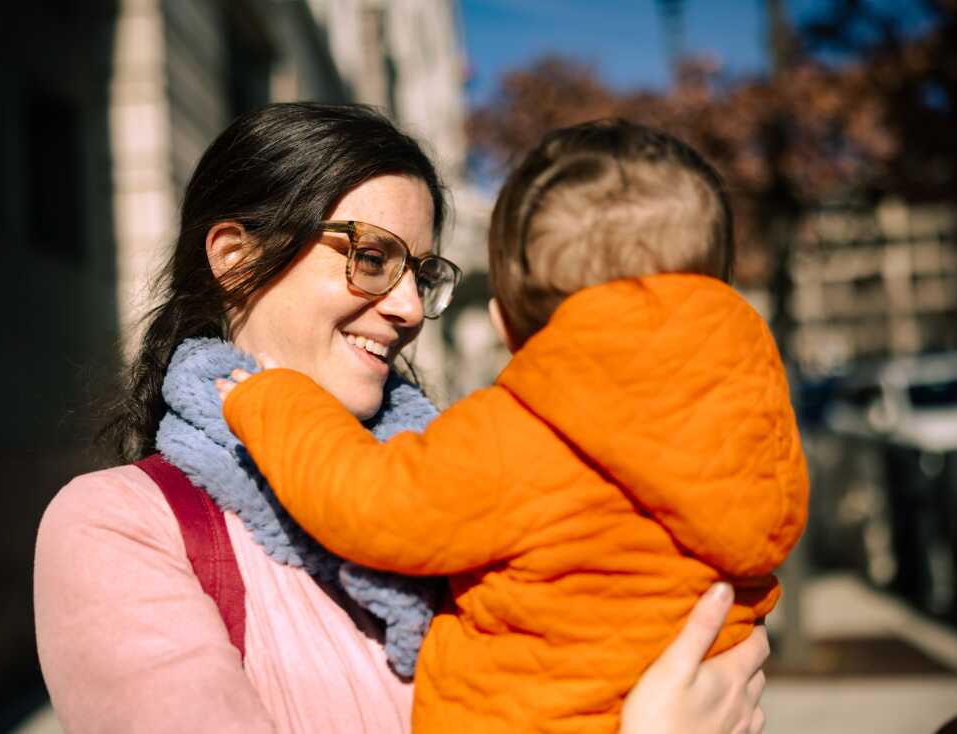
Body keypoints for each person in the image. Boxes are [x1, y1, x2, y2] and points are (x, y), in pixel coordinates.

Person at [34, 104, 770, 734]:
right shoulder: (120, 527)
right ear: (234, 256)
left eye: (421, 272)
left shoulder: (492, 491)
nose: (409, 308)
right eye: (372, 256)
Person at [219, 118, 808, 733]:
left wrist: (273, 401)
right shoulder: (757, 429)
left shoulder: (527, 433)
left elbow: (371, 504)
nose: (410, 307)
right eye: (371, 258)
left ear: (506, 325)